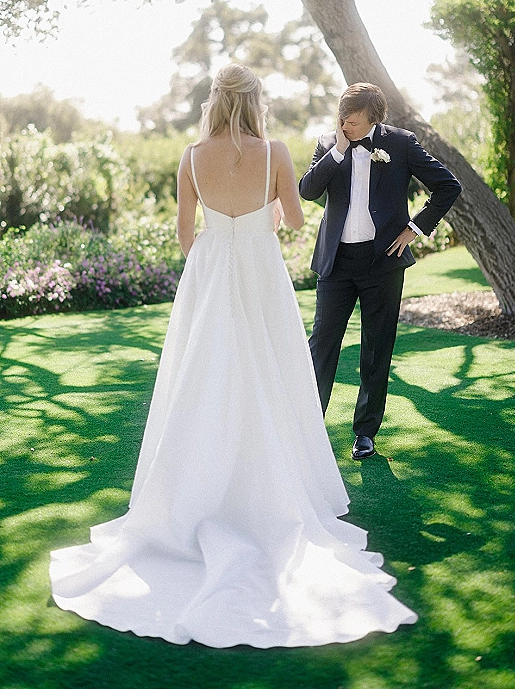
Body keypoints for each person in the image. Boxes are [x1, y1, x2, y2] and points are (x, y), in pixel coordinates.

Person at [50, 64, 417, 648]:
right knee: (270, 373)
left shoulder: (192, 154)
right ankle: (273, 485)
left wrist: (215, 253)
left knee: (203, 377)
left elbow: (184, 232)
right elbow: (295, 219)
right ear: (256, 103)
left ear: (215, 102)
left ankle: (196, 486)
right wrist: (265, 218)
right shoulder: (274, 150)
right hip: (261, 274)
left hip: (211, 271)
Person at [299, 82, 461, 460]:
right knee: (321, 344)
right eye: (342, 117)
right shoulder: (327, 144)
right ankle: (306, 425)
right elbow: (308, 191)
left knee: (376, 348)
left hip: (383, 262)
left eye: (352, 121)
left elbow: (447, 186)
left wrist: (415, 229)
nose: (345, 125)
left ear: (373, 118)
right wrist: (338, 150)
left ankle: (365, 432)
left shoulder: (401, 143)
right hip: (335, 263)